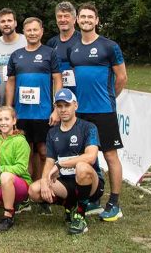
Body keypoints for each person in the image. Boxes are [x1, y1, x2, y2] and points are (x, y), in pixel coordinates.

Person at [68, 3, 127, 221]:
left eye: (90, 17)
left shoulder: (109, 46)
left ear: (97, 20)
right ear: (77, 20)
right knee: (88, 158)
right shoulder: (73, 49)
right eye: (82, 17)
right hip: (81, 112)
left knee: (110, 155)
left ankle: (115, 202)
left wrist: (109, 98)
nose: (86, 20)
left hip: (104, 111)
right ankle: (94, 197)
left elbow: (121, 78)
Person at [28, 89, 104, 235]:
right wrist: (44, 180)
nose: (63, 109)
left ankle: (80, 217)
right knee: (34, 190)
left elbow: (91, 157)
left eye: (67, 105)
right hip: (65, 183)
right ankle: (70, 206)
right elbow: (49, 161)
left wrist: (61, 164)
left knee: (82, 167)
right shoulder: (52, 133)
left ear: (75, 105)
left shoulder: (88, 128)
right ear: (55, 108)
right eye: (59, 106)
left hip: (91, 183)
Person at [5, 17, 62, 188]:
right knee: (25, 153)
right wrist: (9, 107)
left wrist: (56, 108)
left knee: (44, 152)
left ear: (41, 31)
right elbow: (11, 82)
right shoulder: (16, 55)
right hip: (22, 114)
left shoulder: (49, 53)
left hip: (43, 113)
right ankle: (26, 190)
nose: (32, 33)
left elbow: (58, 80)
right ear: (24, 32)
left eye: (35, 30)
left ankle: (43, 185)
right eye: (29, 30)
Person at [0, 8, 27, 106]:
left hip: (23, 102)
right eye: (3, 21)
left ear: (15, 23)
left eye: (9, 20)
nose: (6, 24)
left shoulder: (26, 41)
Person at [46, 2, 81, 94]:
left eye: (66, 16)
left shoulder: (82, 40)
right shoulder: (51, 43)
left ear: (74, 19)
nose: (63, 19)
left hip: (81, 95)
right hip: (60, 96)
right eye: (59, 16)